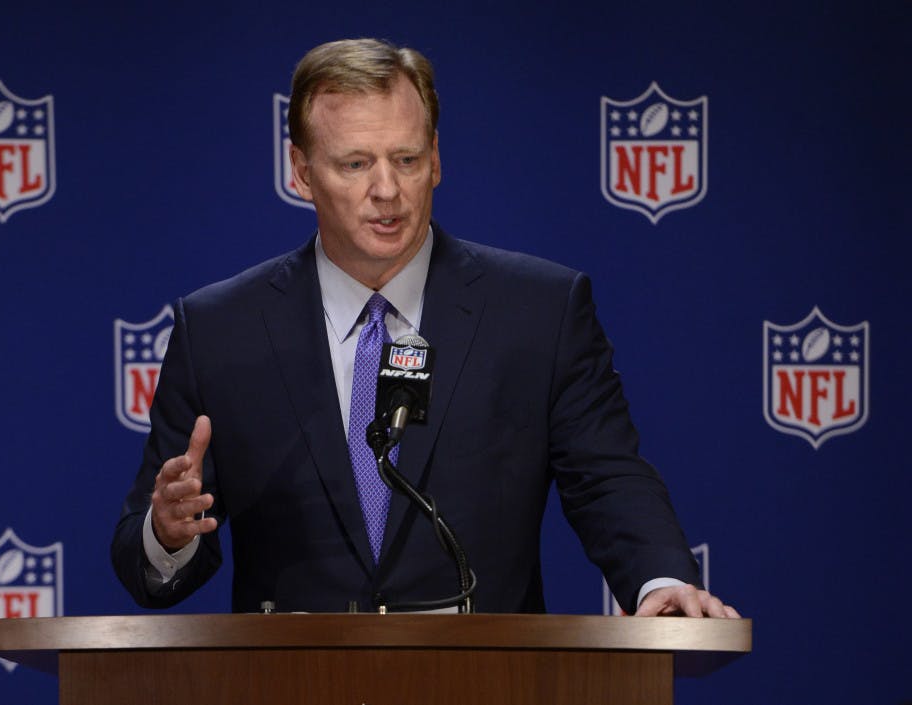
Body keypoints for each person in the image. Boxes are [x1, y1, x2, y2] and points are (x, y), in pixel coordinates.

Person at [112, 38, 739, 618]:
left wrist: (659, 580)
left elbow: (607, 478)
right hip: (294, 678)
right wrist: (168, 532)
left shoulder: (540, 311)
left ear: (435, 159)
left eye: (406, 159)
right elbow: (148, 556)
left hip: (488, 678)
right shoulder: (220, 329)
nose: (387, 189)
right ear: (300, 171)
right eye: (355, 163)